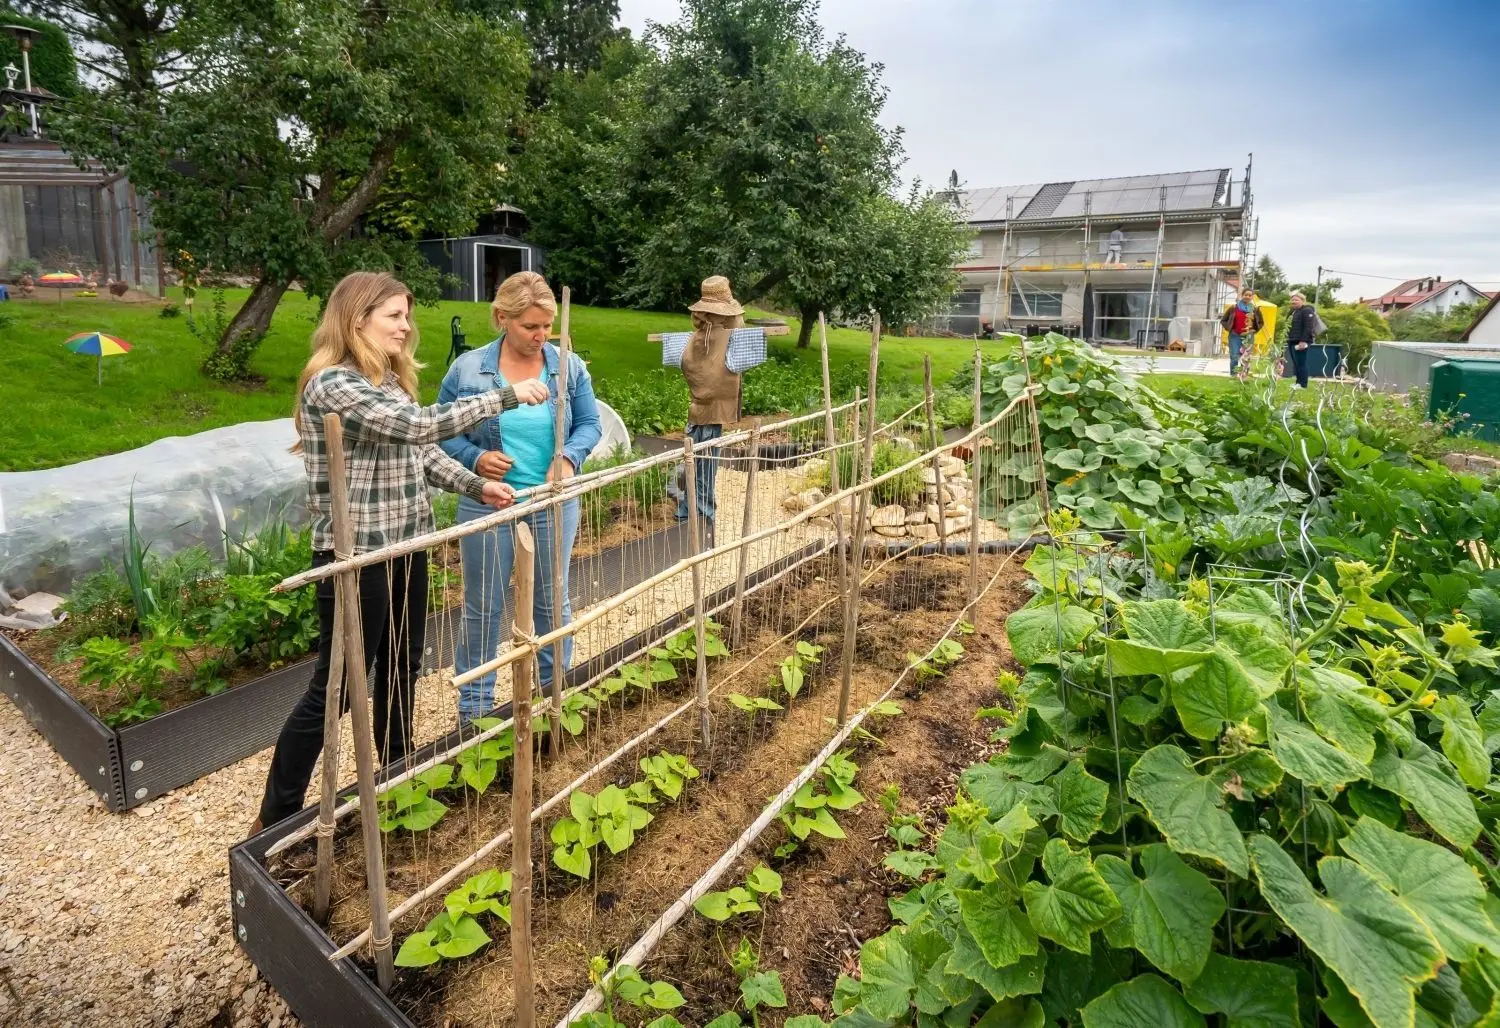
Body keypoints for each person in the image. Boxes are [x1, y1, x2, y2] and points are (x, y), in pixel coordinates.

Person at [252, 271, 548, 832]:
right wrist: (504, 396)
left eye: (406, 316)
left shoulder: (387, 382)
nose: (405, 326)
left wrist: (474, 484)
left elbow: (420, 453)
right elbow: (417, 426)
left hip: (408, 548)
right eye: (394, 316)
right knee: (338, 687)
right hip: (356, 558)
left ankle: (396, 776)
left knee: (400, 666)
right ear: (356, 318)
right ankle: (277, 817)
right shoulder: (334, 384)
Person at [439, 272, 602, 725]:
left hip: (551, 501)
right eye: (530, 326)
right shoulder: (468, 370)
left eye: (547, 325)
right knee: (483, 606)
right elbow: (442, 429)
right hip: (488, 502)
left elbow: (589, 424)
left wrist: (567, 458)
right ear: (502, 318)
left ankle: (554, 699)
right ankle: (474, 715)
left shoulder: (568, 368)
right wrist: (475, 458)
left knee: (552, 602)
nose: (541, 335)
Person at [673, 276, 745, 542]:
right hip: (710, 414)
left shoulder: (696, 339)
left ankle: (686, 511)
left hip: (697, 412)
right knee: (704, 469)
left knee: (693, 464)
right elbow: (740, 329)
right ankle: (703, 521)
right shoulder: (722, 340)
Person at [1219, 287, 1265, 375]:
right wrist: (1230, 328)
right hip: (1235, 336)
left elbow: (1261, 322)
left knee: (1246, 357)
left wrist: (1254, 330)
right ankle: (1233, 375)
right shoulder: (1234, 308)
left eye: (1250, 295)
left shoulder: (1255, 309)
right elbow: (1223, 320)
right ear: (1242, 295)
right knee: (1234, 356)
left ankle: (1244, 376)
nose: (1247, 297)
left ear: (1252, 297)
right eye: (1246, 295)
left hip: (1249, 336)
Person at [1286, 290, 1318, 388]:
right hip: (1292, 340)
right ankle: (1298, 382)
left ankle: (1303, 384)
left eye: (1296, 300)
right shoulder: (1292, 312)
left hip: (1301, 341)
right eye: (1292, 300)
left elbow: (1308, 327)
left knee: (1301, 363)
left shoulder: (1307, 310)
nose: (1294, 302)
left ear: (1303, 301)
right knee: (1296, 363)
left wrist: (1303, 341)